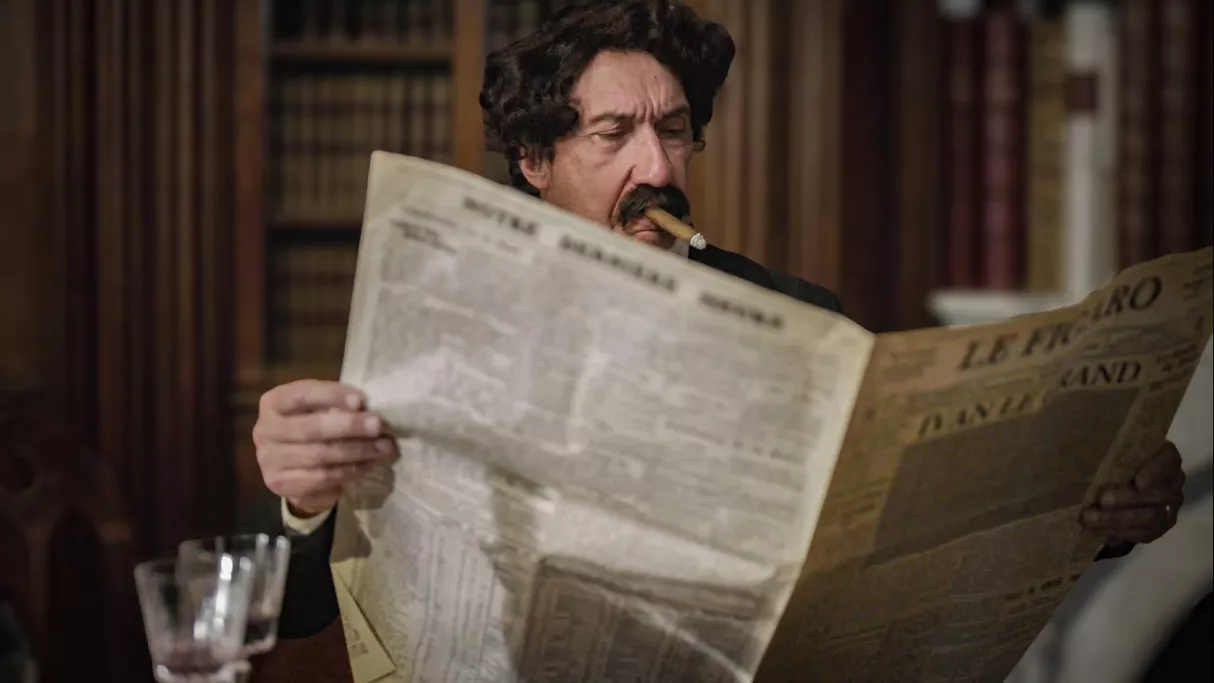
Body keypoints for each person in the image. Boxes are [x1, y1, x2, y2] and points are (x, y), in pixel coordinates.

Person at [253, 0, 1187, 644]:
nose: (657, 168)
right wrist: (305, 502)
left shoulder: (800, 317)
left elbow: (933, 514)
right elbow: (298, 614)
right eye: (613, 135)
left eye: (673, 129)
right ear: (536, 161)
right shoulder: (444, 328)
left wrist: (1100, 502)